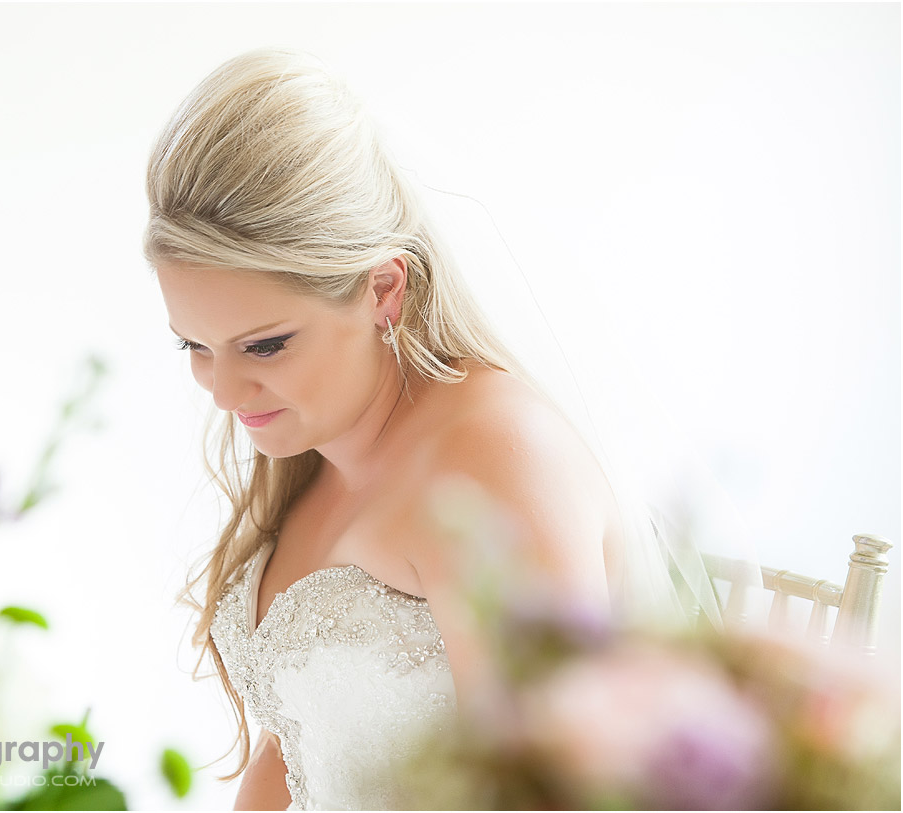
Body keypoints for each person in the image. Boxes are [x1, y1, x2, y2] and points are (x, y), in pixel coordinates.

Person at [144, 48, 686, 810]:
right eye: (194, 345)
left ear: (382, 289)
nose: (224, 391)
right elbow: (298, 743)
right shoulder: (315, 441)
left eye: (265, 344)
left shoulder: (496, 461)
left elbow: (552, 792)